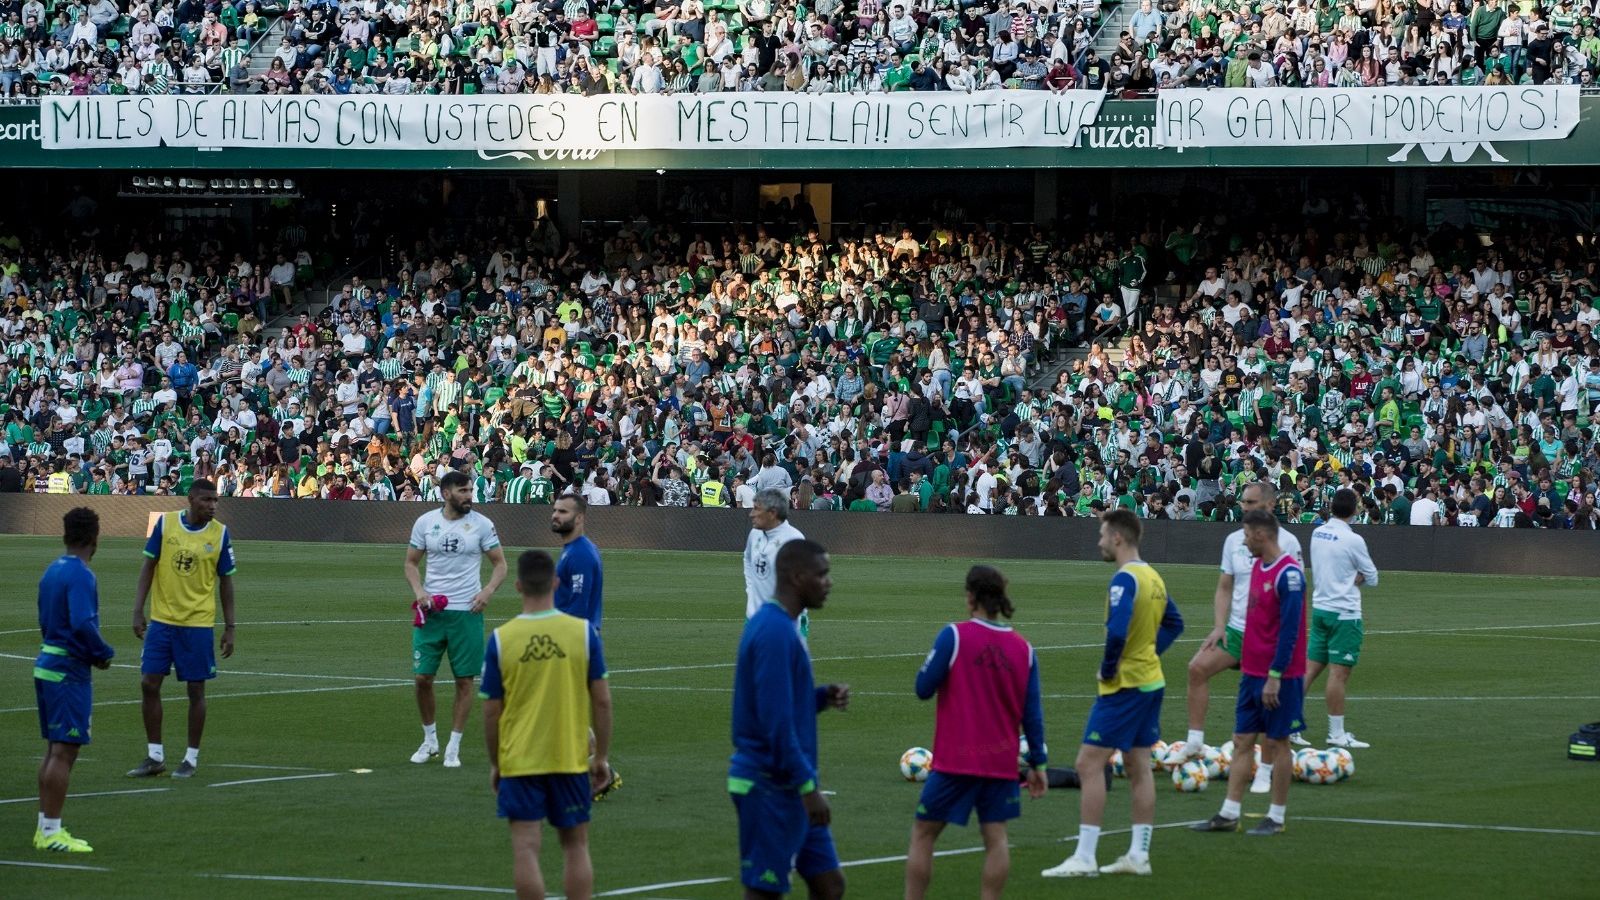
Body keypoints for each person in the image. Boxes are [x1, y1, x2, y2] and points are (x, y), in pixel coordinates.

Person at [1043, 509, 1184, 877]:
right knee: (1139, 767)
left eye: (1103, 535)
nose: (1100, 541)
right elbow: (1175, 623)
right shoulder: (1153, 576)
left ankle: (1085, 856)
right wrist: (1150, 654)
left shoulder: (1124, 580)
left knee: (1087, 765)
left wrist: (1109, 669)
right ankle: (1138, 855)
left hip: (1125, 686)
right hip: (1150, 680)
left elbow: (1118, 632)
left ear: (1118, 538)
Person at [906, 566, 1047, 900]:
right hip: (1000, 764)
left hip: (955, 761)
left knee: (924, 834)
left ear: (970, 596)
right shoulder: (1024, 649)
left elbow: (923, 688)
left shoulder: (953, 636)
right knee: (996, 838)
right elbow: (1033, 715)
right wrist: (1039, 765)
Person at [481, 550, 613, 900]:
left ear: (518, 585)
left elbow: (491, 712)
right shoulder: (583, 634)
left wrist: (496, 763)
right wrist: (599, 757)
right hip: (569, 757)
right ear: (556, 582)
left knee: (525, 847)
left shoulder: (501, 639)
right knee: (575, 845)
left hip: (520, 760)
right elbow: (602, 700)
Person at [729, 539, 848, 900]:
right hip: (770, 783)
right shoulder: (774, 632)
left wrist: (820, 698)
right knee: (764, 892)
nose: (829, 582)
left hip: (788, 783)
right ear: (798, 577)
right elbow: (775, 725)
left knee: (829, 885)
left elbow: (782, 705)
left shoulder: (782, 626)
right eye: (822, 574)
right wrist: (809, 789)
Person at [1177, 481, 1301, 795]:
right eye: (1243, 501)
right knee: (1197, 668)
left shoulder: (1287, 543)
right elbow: (1224, 586)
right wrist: (1219, 626)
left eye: (1252, 502)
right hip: (1236, 630)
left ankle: (1265, 771)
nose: (1245, 507)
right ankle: (1194, 743)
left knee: (1267, 706)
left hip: (1267, 637)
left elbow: (1293, 600)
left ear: (1270, 505)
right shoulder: (1234, 540)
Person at [1192, 509, 1307, 837]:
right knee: (1242, 740)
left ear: (1261, 535)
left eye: (1246, 534)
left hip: (1279, 677)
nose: (1243, 540)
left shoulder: (1290, 574)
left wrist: (1275, 674)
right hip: (1252, 671)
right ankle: (1229, 813)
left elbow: (1290, 631)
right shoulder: (1257, 566)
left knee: (1279, 741)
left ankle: (1277, 816)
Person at [127, 479, 237, 779]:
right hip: (162, 621)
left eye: (215, 500)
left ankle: (190, 758)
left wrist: (230, 627)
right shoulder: (166, 524)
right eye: (206, 500)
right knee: (149, 683)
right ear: (191, 499)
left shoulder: (220, 534)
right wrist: (138, 609)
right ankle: (155, 756)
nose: (212, 505)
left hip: (198, 624)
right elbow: (148, 566)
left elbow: (226, 581)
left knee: (195, 690)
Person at [403, 469, 508, 768]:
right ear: (446, 493)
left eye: (470, 490)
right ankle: (430, 740)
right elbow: (411, 563)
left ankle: (454, 746)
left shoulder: (482, 525)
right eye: (463, 491)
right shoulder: (425, 522)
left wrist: (487, 591)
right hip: (431, 613)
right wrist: (419, 590)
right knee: (422, 678)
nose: (469, 496)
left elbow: (500, 565)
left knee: (464, 681)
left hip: (467, 612)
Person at [34, 507, 115, 852]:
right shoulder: (82, 575)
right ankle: (51, 832)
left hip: (47, 661)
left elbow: (44, 619)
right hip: (68, 671)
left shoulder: (53, 570)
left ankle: (46, 828)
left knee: (55, 750)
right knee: (64, 751)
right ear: (94, 536)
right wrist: (102, 652)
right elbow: (83, 623)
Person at [1293, 488, 1378, 749]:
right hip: (1345, 614)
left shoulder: (1318, 532)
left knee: (1308, 670)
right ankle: (1336, 733)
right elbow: (1372, 576)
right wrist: (1355, 579)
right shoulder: (1353, 539)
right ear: (1355, 510)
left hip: (1321, 608)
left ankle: (1288, 725)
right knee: (1338, 675)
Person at [551, 493, 619, 799]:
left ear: (579, 518)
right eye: (554, 510)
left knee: (567, 709)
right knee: (567, 710)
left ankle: (595, 770)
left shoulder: (579, 555)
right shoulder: (573, 551)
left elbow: (578, 607)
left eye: (562, 511)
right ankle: (596, 769)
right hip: (575, 637)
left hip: (576, 640)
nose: (555, 515)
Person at [743, 488, 806, 635]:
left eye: (756, 509)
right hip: (753, 617)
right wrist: (750, 588)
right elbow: (747, 558)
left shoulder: (794, 540)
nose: (751, 514)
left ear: (772, 513)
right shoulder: (755, 533)